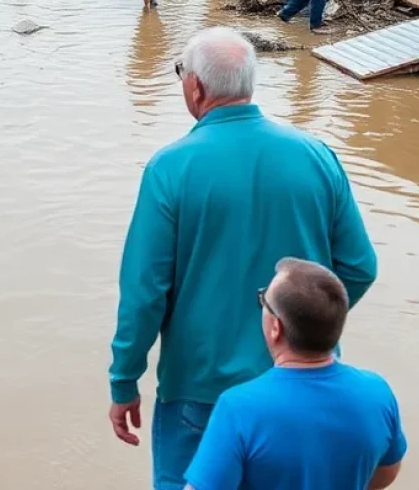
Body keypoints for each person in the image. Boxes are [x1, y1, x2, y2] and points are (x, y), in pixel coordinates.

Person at [108, 28, 378, 490]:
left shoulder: (171, 168)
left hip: (200, 385)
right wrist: (306, 328)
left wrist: (124, 380)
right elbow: (359, 267)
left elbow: (144, 294)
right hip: (305, 383)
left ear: (196, 87)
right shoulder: (316, 157)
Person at [185, 259, 405, 490]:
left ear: (276, 327)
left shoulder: (239, 408)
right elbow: (387, 471)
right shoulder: (377, 394)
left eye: (263, 301)